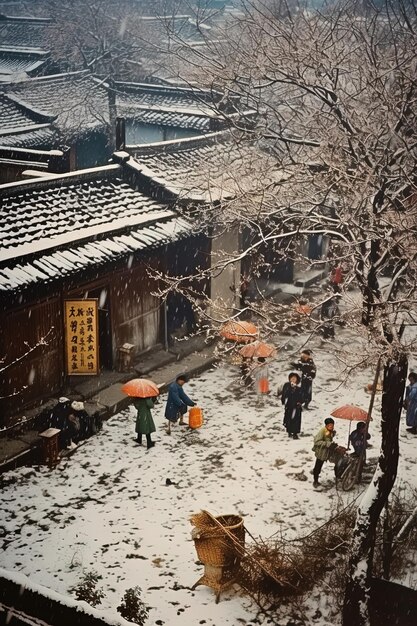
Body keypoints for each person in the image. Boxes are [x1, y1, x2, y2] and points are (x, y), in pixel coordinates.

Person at [312, 417, 343, 488]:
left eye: (332, 425)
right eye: (329, 425)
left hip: (328, 452)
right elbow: (317, 441)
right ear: (326, 425)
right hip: (322, 453)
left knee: (338, 461)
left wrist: (333, 434)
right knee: (318, 466)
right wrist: (327, 444)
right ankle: (315, 481)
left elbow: (328, 438)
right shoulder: (322, 431)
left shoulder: (329, 431)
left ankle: (338, 476)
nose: (331, 427)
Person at [281, 372, 303, 439]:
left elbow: (302, 397)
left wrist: (300, 402)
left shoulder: (299, 388)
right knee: (288, 418)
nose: (293, 379)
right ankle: (289, 431)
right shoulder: (287, 386)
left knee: (296, 419)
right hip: (289, 405)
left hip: (296, 406)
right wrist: (284, 401)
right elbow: (284, 395)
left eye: (294, 378)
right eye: (292, 378)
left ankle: (295, 433)